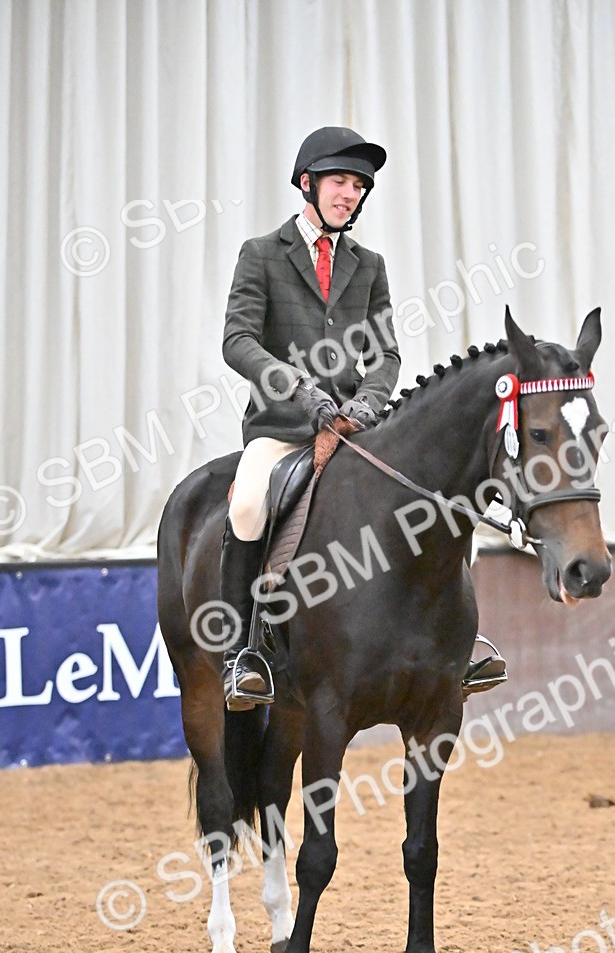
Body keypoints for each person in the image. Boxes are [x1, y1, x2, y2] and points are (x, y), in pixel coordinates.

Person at [220, 126, 401, 709]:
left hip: (353, 429)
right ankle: (241, 654)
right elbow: (238, 340)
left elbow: (387, 354)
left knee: (431, 493)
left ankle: (453, 640)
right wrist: (297, 387)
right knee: (248, 504)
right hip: (282, 428)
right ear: (308, 183)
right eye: (341, 182)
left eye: (359, 187)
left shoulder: (368, 265)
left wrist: (367, 402)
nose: (350, 195)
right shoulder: (262, 254)